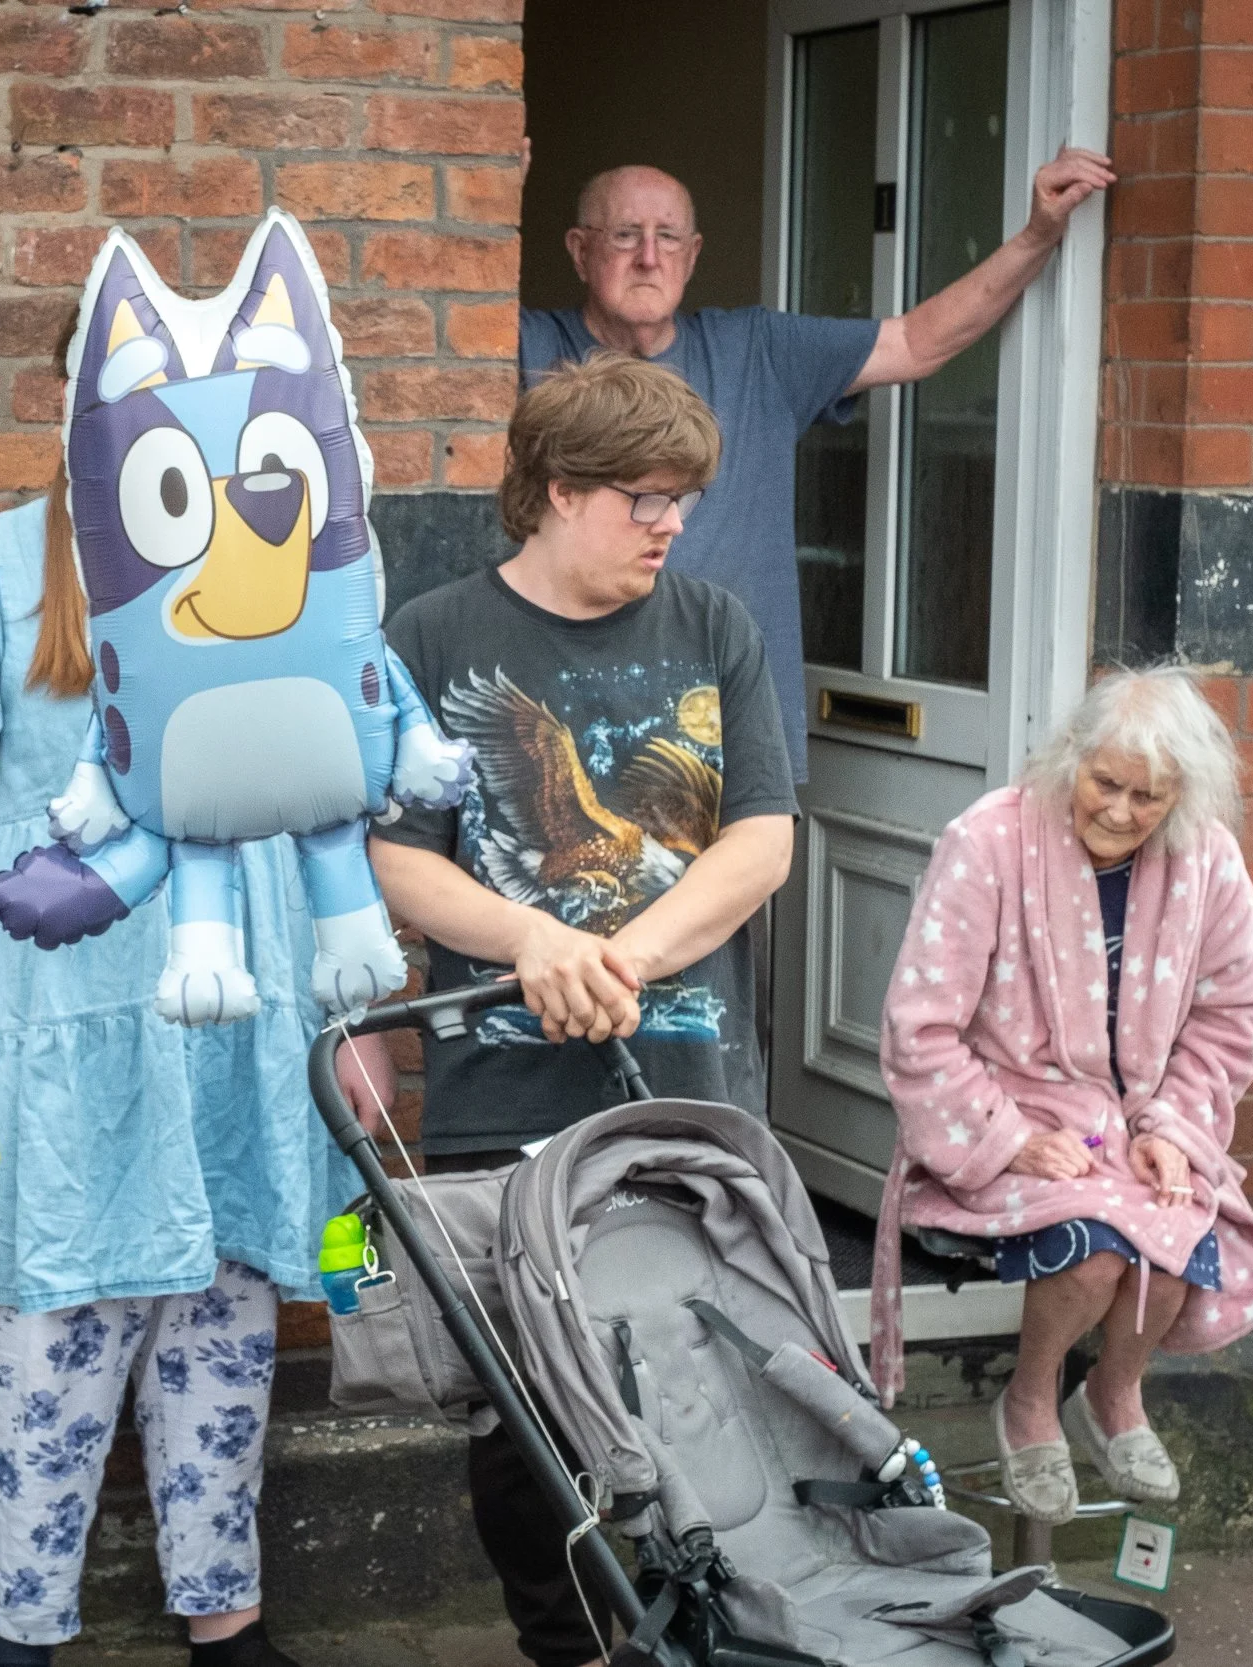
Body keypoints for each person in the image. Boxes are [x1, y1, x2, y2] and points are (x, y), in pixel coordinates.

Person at [0, 441, 386, 1667]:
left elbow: (330, 804)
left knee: (227, 1340)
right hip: (62, 1047)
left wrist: (351, 1015)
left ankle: (227, 1632)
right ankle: (18, 1642)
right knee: (47, 1361)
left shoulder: (280, 566)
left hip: (240, 1037)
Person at [369, 354, 798, 1667]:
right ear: (560, 489)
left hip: (682, 1092)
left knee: (694, 1388)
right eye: (644, 498)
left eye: (682, 499)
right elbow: (395, 854)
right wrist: (532, 940)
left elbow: (763, 838)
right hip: (499, 1099)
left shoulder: (713, 625)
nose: (671, 524)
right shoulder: (435, 635)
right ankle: (566, 1647)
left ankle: (694, 1632)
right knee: (526, 1421)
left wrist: (619, 957)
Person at [520, 146, 1114, 779]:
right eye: (624, 235)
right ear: (579, 251)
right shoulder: (524, 346)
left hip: (736, 735)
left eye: (667, 237)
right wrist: (493, 192)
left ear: (692, 256)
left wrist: (1036, 236)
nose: (648, 256)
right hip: (576, 730)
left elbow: (916, 342)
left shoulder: (758, 350)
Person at [868, 665, 1253, 1525]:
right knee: (1097, 1256)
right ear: (1072, 758)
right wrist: (1008, 1137)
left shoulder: (1207, 859)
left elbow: (1233, 1013)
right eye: (1106, 783)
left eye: (1148, 796)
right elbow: (919, 1028)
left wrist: (1174, 1127)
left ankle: (1111, 1393)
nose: (1122, 811)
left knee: (1174, 1236)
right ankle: (1029, 1400)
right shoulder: (986, 842)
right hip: (1003, 1117)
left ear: (1181, 796)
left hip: (1136, 1126)